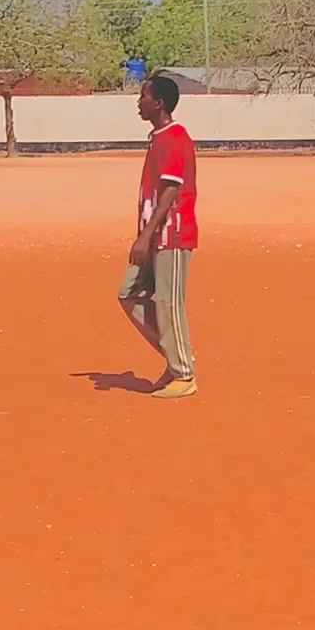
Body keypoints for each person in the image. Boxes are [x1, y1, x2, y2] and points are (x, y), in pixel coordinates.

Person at [118, 75, 198, 399]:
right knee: (128, 292)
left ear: (159, 104)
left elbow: (170, 193)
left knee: (168, 302)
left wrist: (145, 237)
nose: (139, 102)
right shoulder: (157, 138)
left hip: (173, 235)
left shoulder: (176, 137)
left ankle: (184, 374)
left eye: (143, 96)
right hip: (154, 237)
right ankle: (176, 355)